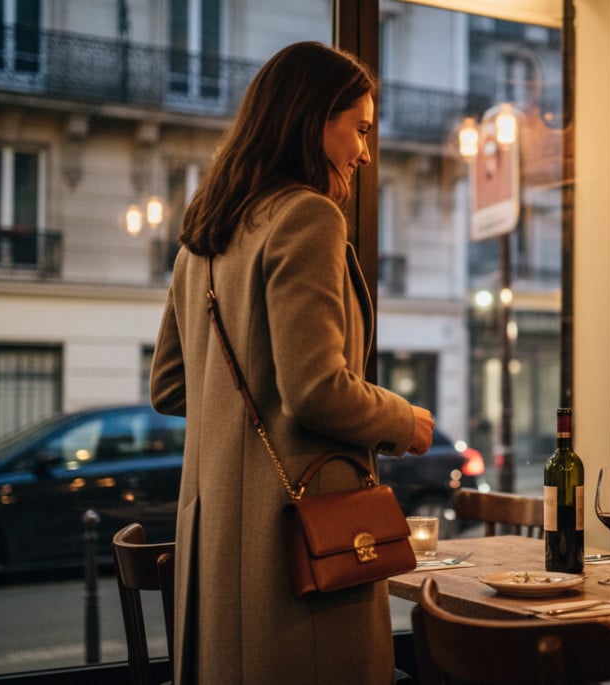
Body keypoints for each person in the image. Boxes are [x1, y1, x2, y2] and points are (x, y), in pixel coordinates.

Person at [150, 42, 435, 684]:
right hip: (298, 559)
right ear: (313, 119)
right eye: (359, 129)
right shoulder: (308, 216)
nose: (365, 151)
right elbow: (315, 390)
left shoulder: (202, 239)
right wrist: (403, 418)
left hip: (217, 557)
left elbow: (170, 387)